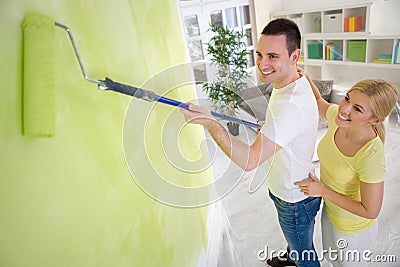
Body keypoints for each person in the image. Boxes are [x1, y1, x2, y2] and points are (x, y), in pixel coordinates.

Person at [181, 18, 321, 266]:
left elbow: (250, 161)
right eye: (259, 54)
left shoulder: (290, 107)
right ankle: (292, 255)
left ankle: (297, 257)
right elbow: (289, 123)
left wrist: (210, 123)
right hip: (287, 186)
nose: (262, 64)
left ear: (294, 55)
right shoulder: (294, 79)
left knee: (306, 256)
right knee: (297, 242)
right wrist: (273, 129)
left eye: (273, 57)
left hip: (294, 201)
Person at [295, 71, 398, 267]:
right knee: (334, 261)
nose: (344, 109)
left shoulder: (371, 155)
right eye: (347, 98)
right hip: (331, 213)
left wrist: (323, 191)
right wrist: (305, 77)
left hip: (353, 230)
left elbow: (370, 210)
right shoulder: (337, 119)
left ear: (374, 120)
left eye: (357, 109)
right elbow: (317, 100)